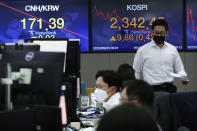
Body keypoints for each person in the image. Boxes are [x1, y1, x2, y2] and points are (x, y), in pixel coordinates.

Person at [133, 19, 189, 93]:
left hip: (170, 89)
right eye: (156, 33)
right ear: (152, 33)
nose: (159, 35)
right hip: (151, 91)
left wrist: (183, 78)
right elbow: (136, 71)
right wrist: (137, 89)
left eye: (161, 33)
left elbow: (180, 69)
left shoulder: (172, 49)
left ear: (166, 33)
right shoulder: (142, 50)